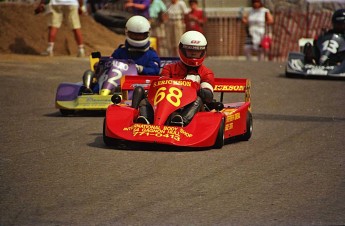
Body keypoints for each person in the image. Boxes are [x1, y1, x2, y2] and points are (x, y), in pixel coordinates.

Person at [132, 30, 215, 126]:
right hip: (167, 105)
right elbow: (161, 86)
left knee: (198, 100)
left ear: (203, 51)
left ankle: (181, 121)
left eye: (197, 51)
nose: (193, 54)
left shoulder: (206, 73)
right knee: (146, 100)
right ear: (182, 49)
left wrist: (197, 89)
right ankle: (145, 119)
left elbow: (208, 97)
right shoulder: (169, 68)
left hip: (190, 108)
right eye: (190, 50)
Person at [82, 15, 161, 93]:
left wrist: (140, 69)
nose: (137, 37)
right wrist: (101, 65)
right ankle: (89, 91)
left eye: (140, 35)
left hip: (139, 86)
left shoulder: (151, 54)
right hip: (117, 82)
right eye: (134, 35)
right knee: (90, 74)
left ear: (147, 34)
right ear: (127, 33)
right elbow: (110, 64)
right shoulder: (120, 52)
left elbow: (155, 71)